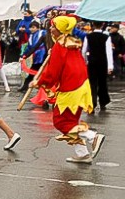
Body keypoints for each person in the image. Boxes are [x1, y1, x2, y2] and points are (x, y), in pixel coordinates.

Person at [32, 16, 105, 164]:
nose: (51, 29)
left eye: (53, 27)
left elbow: (53, 72)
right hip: (80, 84)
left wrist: (39, 82)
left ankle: (92, 136)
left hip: (71, 87)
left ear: (60, 29)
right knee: (71, 121)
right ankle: (82, 153)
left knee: (60, 121)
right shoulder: (71, 43)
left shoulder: (61, 45)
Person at [83, 21, 113, 110]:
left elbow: (84, 50)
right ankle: (103, 101)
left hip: (92, 61)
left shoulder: (88, 36)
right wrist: (110, 66)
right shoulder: (106, 37)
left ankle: (92, 102)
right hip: (103, 62)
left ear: (92, 25)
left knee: (92, 83)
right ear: (102, 25)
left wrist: (85, 61)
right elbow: (108, 52)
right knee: (102, 82)